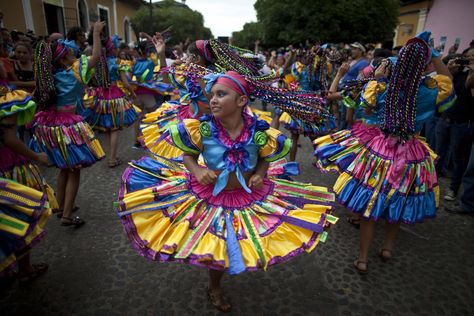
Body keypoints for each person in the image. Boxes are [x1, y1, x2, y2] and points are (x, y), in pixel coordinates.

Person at [116, 69, 337, 312]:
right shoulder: (204, 129)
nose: (212, 100)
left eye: (221, 94)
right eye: (212, 95)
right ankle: (215, 286)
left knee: (243, 239)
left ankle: (222, 275)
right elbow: (188, 156)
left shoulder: (258, 131)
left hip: (246, 196)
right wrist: (197, 171)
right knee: (217, 243)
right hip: (210, 195)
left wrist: (260, 174)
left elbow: (265, 158)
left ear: (242, 101)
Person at [314, 33, 454, 274]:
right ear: (423, 67)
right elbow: (448, 81)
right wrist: (434, 55)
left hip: (381, 151)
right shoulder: (430, 92)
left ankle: (363, 258)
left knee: (370, 205)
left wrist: (377, 79)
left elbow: (362, 109)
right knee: (400, 199)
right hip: (413, 154)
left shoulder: (379, 89)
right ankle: (388, 247)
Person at [140, 38, 274, 160]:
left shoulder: (217, 76)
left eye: (187, 55)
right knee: (185, 158)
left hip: (212, 124)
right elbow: (166, 81)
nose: (185, 58)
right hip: (187, 120)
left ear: (196, 59)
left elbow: (212, 99)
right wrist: (161, 54)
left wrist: (199, 76)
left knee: (208, 159)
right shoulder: (187, 73)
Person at [29, 21, 107, 227]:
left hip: (48, 125)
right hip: (67, 126)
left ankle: (62, 206)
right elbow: (96, 57)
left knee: (64, 168)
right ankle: (67, 215)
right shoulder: (73, 72)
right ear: (65, 59)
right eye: (73, 54)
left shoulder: (49, 76)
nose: (77, 56)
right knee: (74, 170)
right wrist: (96, 34)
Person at [84, 34, 138, 167]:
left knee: (108, 129)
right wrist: (132, 93)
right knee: (114, 129)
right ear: (111, 49)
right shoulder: (116, 62)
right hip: (115, 97)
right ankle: (112, 158)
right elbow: (125, 83)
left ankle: (111, 156)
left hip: (101, 97)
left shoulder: (95, 62)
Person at [436, 47, 474, 201]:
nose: (469, 59)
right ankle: (431, 185)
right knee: (438, 154)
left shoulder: (470, 75)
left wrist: (472, 73)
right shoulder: (457, 73)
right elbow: (445, 88)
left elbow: (469, 91)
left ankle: (453, 188)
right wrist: (449, 70)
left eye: (473, 56)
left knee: (459, 159)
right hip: (445, 119)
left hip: (463, 123)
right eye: (468, 56)